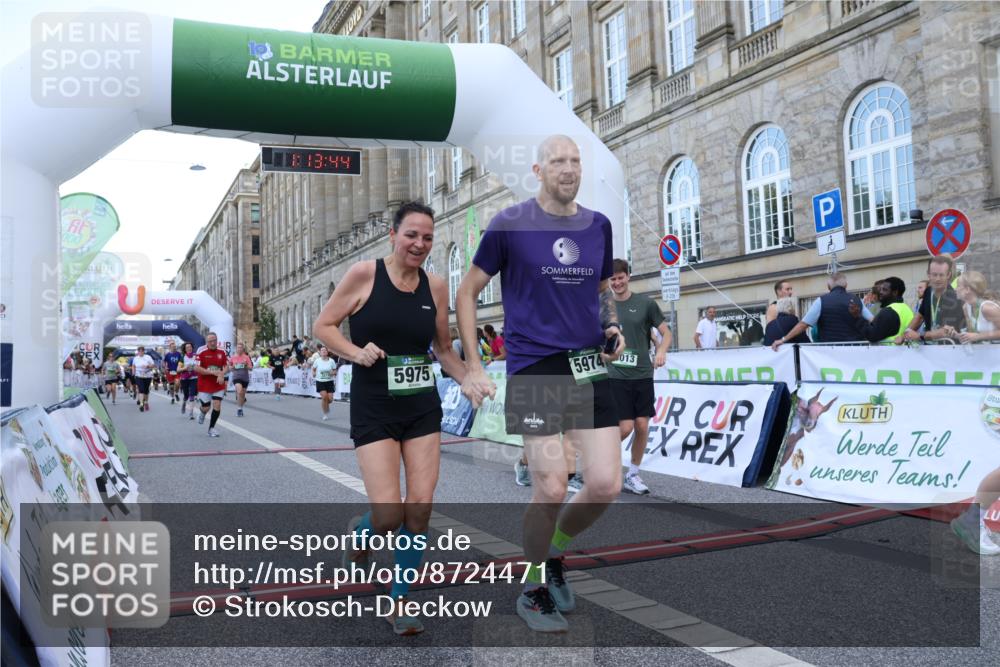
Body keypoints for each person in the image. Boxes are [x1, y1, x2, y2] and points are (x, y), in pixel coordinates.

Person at [457, 135, 625, 633]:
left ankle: (553, 555)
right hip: (535, 366)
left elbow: (600, 291)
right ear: (538, 169)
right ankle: (533, 588)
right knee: (551, 486)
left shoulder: (598, 225)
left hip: (587, 367)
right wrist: (474, 364)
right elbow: (467, 293)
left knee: (604, 484)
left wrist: (611, 326)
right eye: (558, 161)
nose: (568, 168)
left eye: (575, 161)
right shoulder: (510, 224)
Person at [314, 201, 465, 636]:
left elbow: (443, 350)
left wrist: (471, 379)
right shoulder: (364, 275)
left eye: (427, 237)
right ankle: (360, 535)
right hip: (374, 404)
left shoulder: (435, 287)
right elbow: (324, 327)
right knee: (387, 517)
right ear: (393, 236)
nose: (419, 244)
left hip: (420, 405)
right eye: (411, 235)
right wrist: (355, 351)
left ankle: (399, 601)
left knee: (418, 510)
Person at [607, 258, 672, 495]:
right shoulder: (605, 306)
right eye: (612, 279)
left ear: (628, 276)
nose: (617, 282)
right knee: (624, 427)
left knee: (642, 425)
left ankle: (632, 474)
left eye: (620, 277)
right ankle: (603, 462)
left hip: (643, 373)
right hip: (615, 374)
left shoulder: (645, 304)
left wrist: (661, 351)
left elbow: (666, 333)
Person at [771, 273, 872, 350]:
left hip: (830, 351)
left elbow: (803, 325)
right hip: (857, 349)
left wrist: (783, 339)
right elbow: (872, 320)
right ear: (846, 285)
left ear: (828, 286)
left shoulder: (821, 301)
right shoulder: (857, 300)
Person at [898, 255, 966, 344]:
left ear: (948, 275)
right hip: (930, 348)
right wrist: (904, 335)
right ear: (928, 274)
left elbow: (945, 331)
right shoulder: (928, 291)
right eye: (934, 275)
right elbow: (919, 316)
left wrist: (920, 336)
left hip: (949, 349)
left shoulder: (954, 298)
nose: (937, 279)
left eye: (941, 275)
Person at [847, 277, 913, 343]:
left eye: (885, 290)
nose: (880, 292)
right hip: (906, 351)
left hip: (889, 351)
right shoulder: (906, 308)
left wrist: (858, 317)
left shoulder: (889, 311)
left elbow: (872, 335)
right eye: (881, 289)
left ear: (895, 292)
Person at [194, 332, 229, 437]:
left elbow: (227, 366)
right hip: (205, 383)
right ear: (207, 342)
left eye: (214, 340)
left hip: (218, 383)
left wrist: (222, 373)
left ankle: (211, 428)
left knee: (217, 404)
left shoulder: (222, 351)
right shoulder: (201, 350)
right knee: (206, 407)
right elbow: (196, 368)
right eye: (210, 341)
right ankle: (202, 412)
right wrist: (213, 372)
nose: (213, 343)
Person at [954, 271, 1000, 344]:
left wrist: (978, 336)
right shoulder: (966, 307)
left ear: (967, 290)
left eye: (958, 286)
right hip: (983, 352)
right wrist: (957, 335)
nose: (955, 289)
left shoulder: (987, 308)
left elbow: (977, 336)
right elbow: (973, 334)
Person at [311, 345, 337, 421]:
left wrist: (332, 373)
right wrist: (313, 373)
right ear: (320, 352)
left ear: (327, 352)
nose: (323, 352)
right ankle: (325, 414)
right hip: (320, 381)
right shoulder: (317, 361)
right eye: (322, 351)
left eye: (325, 351)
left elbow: (335, 370)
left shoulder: (331, 361)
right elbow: (313, 369)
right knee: (324, 397)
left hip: (329, 381)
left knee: (330, 400)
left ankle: (325, 404)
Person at [229, 342, 253, 417]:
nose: (239, 349)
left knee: (242, 394)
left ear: (243, 349)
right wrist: (233, 367)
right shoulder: (232, 357)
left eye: (241, 348)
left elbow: (251, 368)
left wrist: (246, 366)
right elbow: (229, 367)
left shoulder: (246, 357)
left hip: (245, 378)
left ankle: (241, 407)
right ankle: (239, 409)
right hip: (236, 377)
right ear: (236, 349)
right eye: (238, 347)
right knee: (239, 391)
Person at [131, 346, 156, 412]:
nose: (140, 352)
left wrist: (147, 366)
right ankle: (141, 404)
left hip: (147, 376)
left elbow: (153, 365)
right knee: (141, 389)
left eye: (142, 351)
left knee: (146, 390)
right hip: (138, 376)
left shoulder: (148, 357)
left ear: (144, 351)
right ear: (138, 352)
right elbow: (133, 366)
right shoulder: (136, 358)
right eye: (139, 351)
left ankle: (146, 402)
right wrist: (133, 372)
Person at [178, 342, 199, 419]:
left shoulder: (196, 356)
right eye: (187, 347)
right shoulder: (182, 357)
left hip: (194, 378)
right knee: (186, 395)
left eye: (190, 347)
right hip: (185, 378)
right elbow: (178, 370)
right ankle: (184, 402)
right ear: (185, 349)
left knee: (192, 394)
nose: (189, 348)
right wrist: (185, 368)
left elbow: (200, 365)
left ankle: (191, 413)